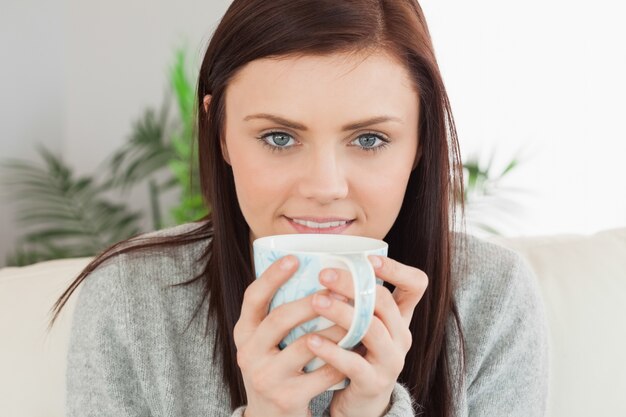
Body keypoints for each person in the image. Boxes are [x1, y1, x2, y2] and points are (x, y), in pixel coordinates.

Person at [51, 1, 549, 416]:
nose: (324, 187)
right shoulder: (129, 298)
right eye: (279, 137)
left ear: (421, 142)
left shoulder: (491, 296)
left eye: (370, 138)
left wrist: (374, 411)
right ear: (220, 131)